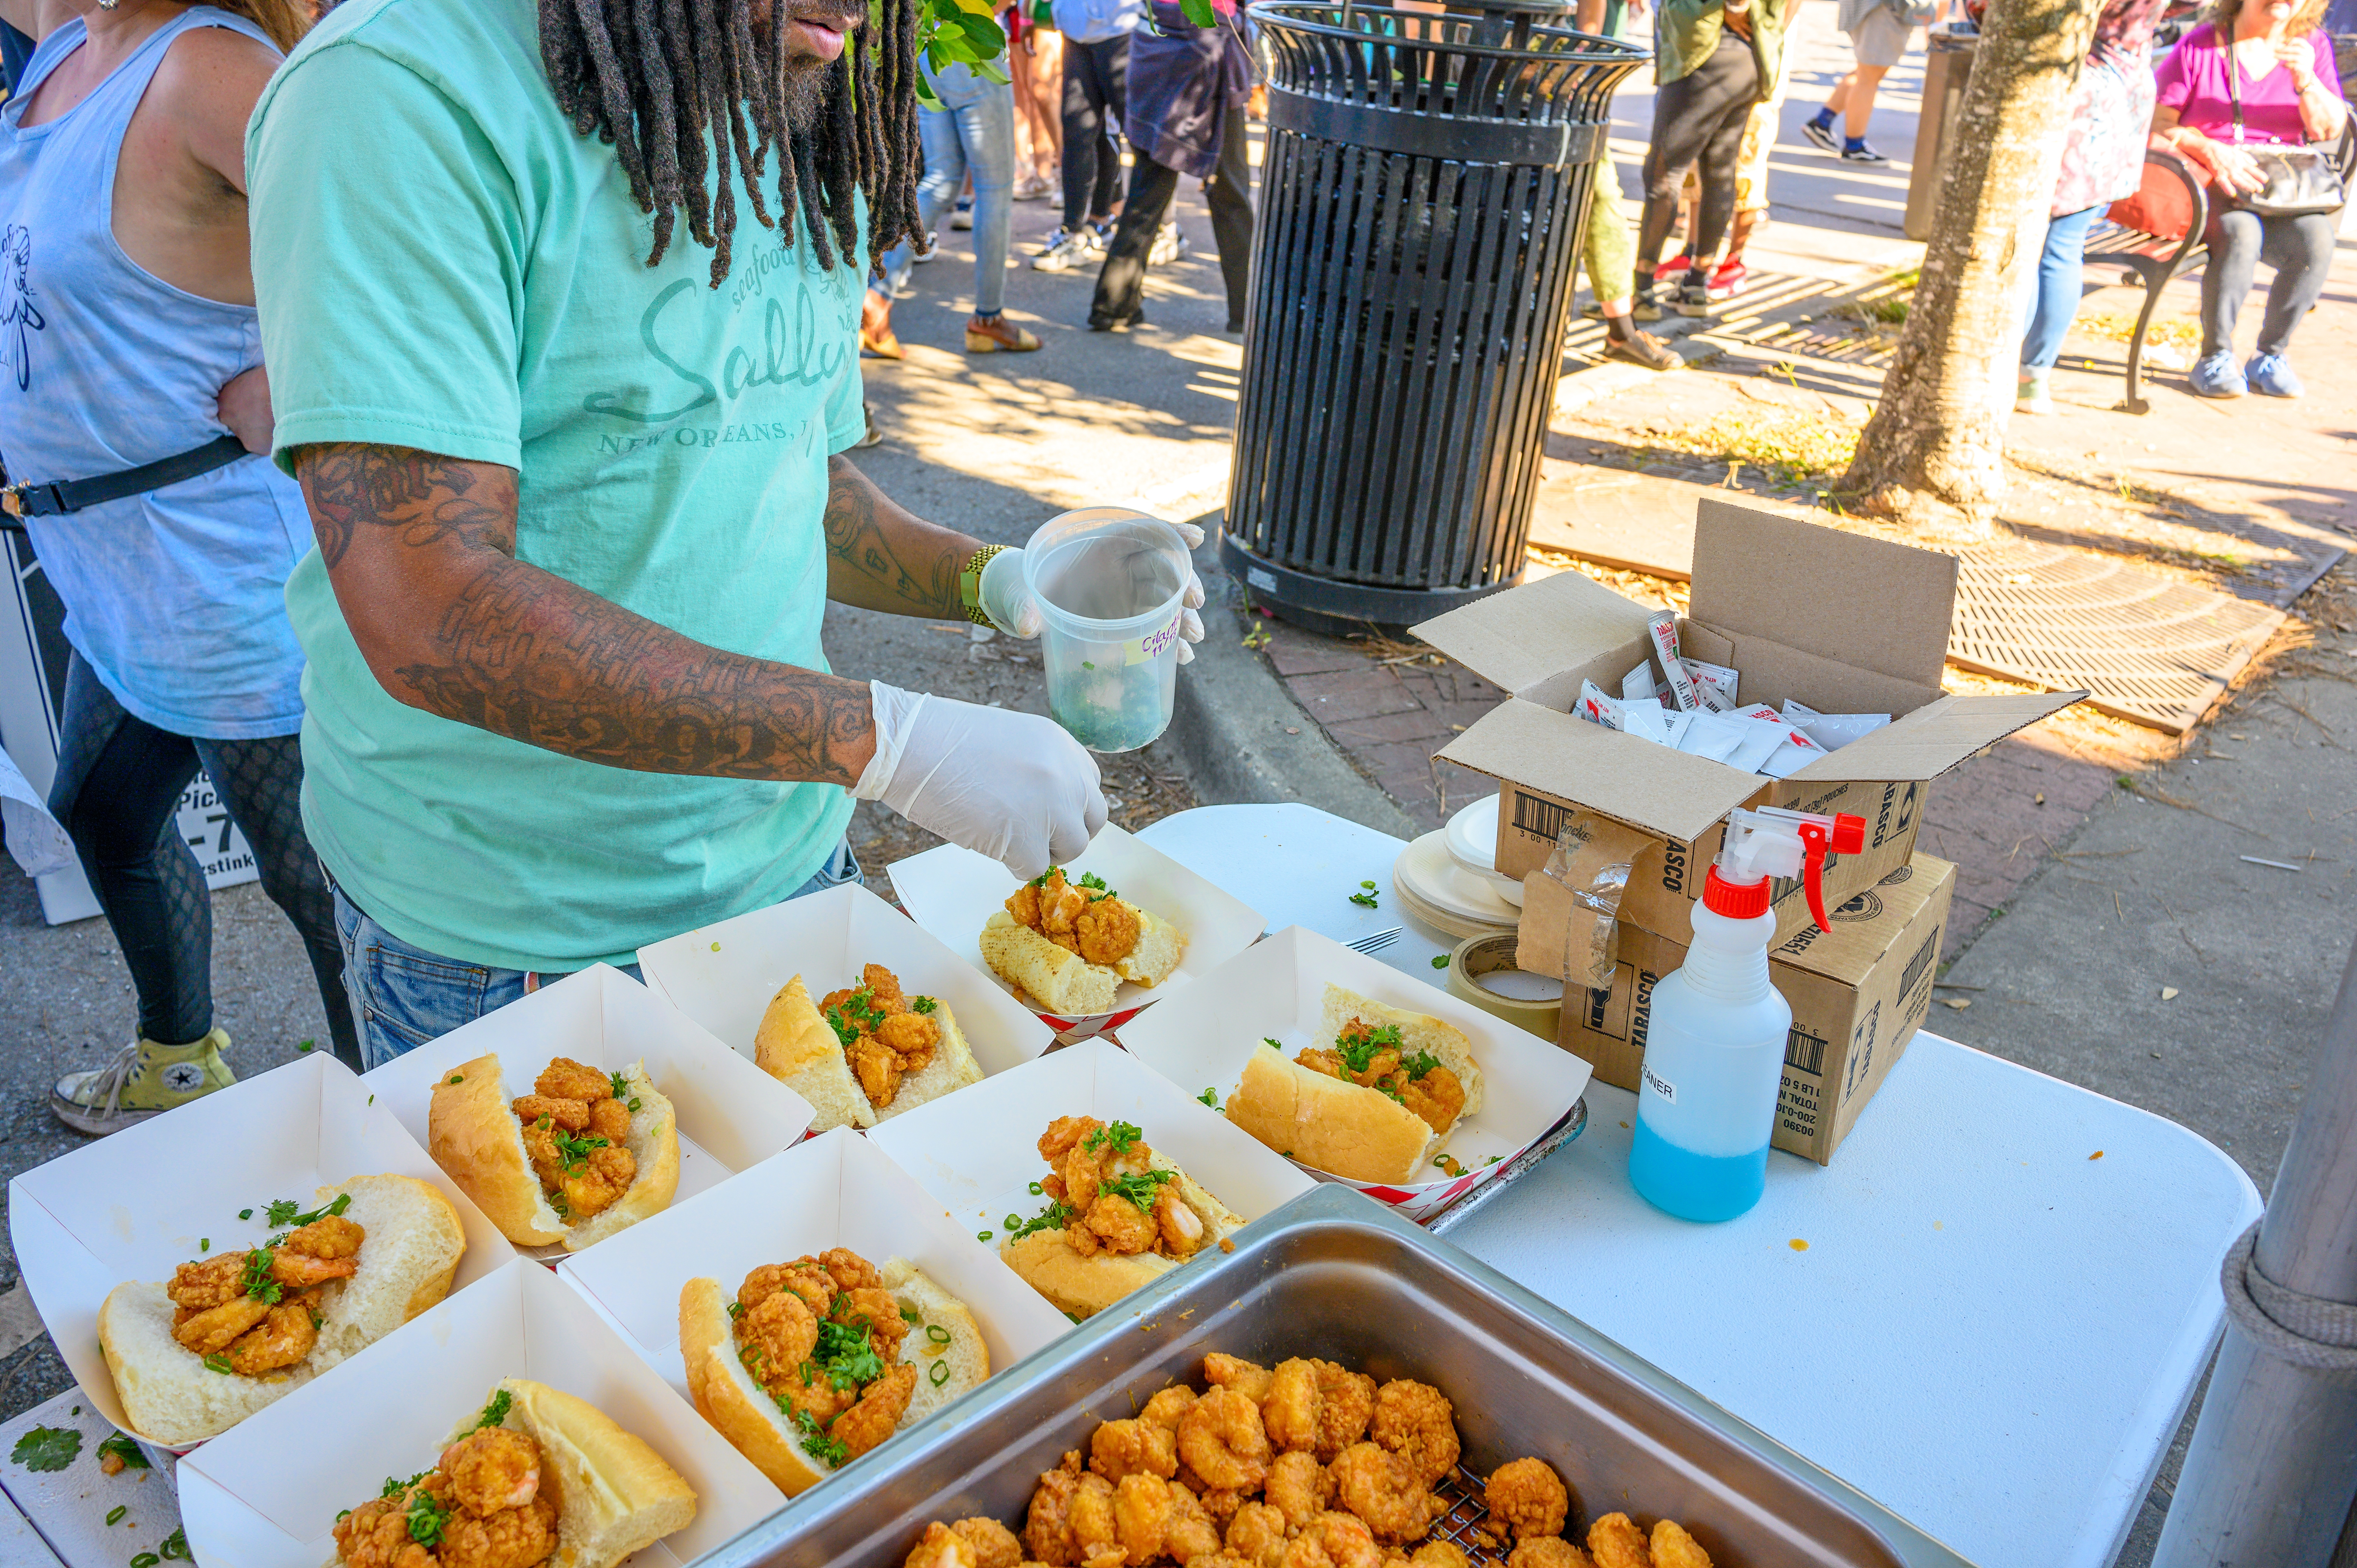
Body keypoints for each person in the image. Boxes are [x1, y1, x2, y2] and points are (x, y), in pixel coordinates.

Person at [243, 0, 1205, 1066]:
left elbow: (793, 469)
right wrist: (888, 742)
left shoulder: (787, 78)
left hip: (791, 868)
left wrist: (1008, 583)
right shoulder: (395, 92)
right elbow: (432, 614)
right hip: (510, 944)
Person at [0, 0, 365, 1133]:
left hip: (226, 575)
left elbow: (414, 242)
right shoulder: (66, 47)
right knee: (104, 821)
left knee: (322, 887)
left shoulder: (213, 70)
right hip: (108, 571)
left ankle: (393, 1132)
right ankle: (179, 1057)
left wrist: (310, 370)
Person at [2152, 0, 2348, 398]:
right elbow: (2158, 124)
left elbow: (2329, 128)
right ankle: (2215, 356)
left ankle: (2271, 354)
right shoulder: (2199, 46)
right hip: (2214, 182)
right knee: (2240, 235)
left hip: (2280, 186)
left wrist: (2306, 79)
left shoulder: (2312, 45)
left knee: (2316, 241)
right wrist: (2210, 148)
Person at [2016, 0, 2171, 413]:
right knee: (2064, 248)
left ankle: (2010, 369)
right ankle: (2032, 379)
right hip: (2125, 97)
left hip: (2078, 101)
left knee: (2034, 250)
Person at [861, 58, 1043, 357]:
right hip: (973, 52)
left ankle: (878, 296)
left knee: (941, 181)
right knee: (994, 191)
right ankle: (989, 316)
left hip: (929, 54)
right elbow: (999, 6)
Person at [1088, 0, 1251, 332]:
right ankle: (1247, 311)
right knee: (1231, 194)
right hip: (1203, 48)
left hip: (1162, 49)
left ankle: (1113, 305)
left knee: (1149, 192)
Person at [1636, 0, 1789, 318]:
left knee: (1665, 174)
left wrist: (1737, 8)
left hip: (1705, 54)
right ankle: (1695, 286)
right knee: (1719, 171)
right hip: (1747, 57)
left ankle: (1641, 291)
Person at [1572, 0, 1680, 368]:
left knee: (1601, 199)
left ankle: (1621, 331)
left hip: (1565, 84)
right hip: (1472, 77)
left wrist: (1579, 60)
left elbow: (1591, 14)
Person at [1035, 0, 1142, 270]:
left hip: (1123, 30)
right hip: (1076, 31)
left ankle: (1161, 227)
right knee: (1076, 133)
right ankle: (1072, 232)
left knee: (1138, 135)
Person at [1801, 0, 1924, 163]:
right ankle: (1854, 146)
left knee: (1866, 72)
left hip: (1878, 8)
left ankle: (1823, 123)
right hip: (1882, 8)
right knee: (1869, 75)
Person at [1006, 0, 1062, 200]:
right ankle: (1042, 173)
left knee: (1045, 93)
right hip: (1021, 16)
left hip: (1050, 17)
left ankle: (1067, 176)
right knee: (1026, 95)